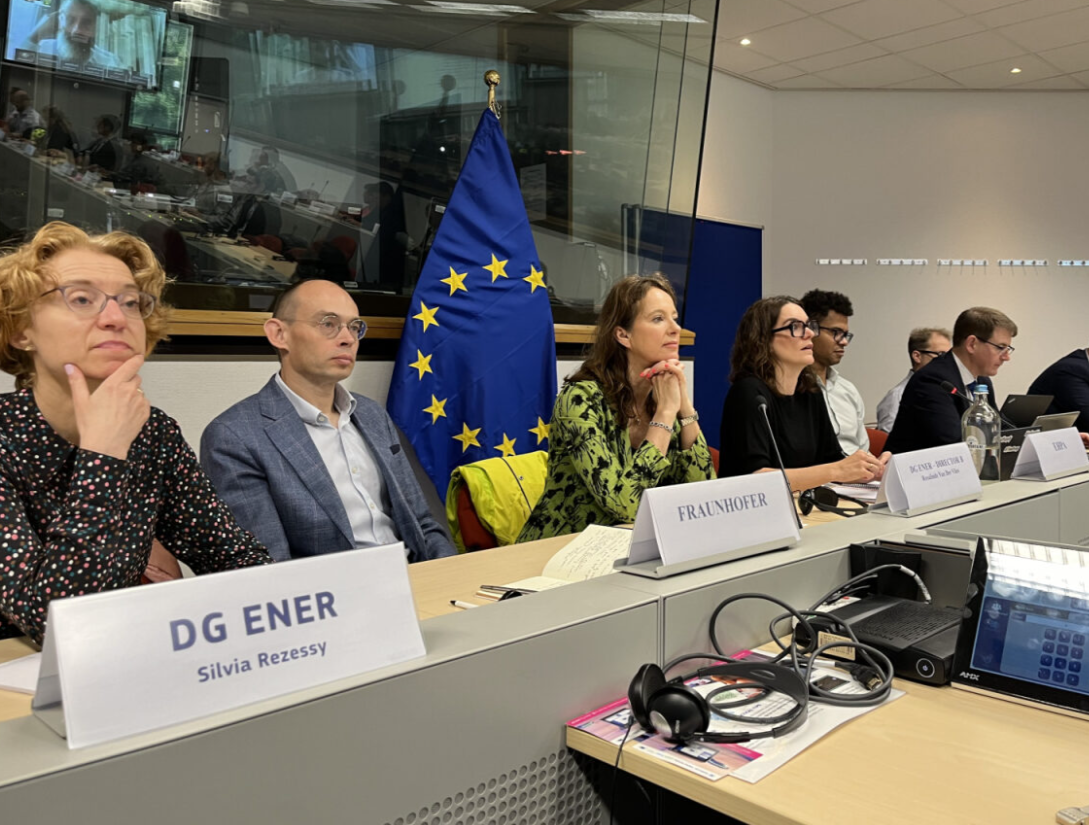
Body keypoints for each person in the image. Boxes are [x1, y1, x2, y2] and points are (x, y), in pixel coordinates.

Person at [0, 222, 272, 645]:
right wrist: (103, 453)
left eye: (130, 303)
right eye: (81, 299)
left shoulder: (153, 433)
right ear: (21, 329)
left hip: (123, 657)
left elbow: (234, 557)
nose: (116, 318)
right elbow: (56, 625)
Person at [201, 279, 455, 562]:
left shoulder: (371, 414)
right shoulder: (235, 436)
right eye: (328, 324)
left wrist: (448, 572)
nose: (348, 339)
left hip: (415, 574)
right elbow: (268, 564)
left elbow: (422, 523)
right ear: (279, 334)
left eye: (354, 327)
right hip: (333, 587)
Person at [517, 273, 714, 542]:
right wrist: (666, 414)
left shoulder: (661, 396)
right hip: (559, 549)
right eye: (658, 319)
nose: (675, 329)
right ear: (623, 335)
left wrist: (684, 407)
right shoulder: (581, 400)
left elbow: (703, 495)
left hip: (632, 548)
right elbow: (625, 506)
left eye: (674, 318)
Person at [719, 296, 888, 490]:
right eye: (796, 327)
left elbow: (831, 458)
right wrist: (836, 471)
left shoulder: (809, 391)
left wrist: (871, 470)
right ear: (764, 339)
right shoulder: (749, 394)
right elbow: (753, 478)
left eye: (809, 326)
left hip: (806, 503)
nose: (809, 334)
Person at [886, 307, 1018, 454]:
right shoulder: (932, 381)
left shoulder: (982, 381)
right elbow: (953, 442)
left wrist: (1023, 437)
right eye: (1001, 347)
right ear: (972, 344)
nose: (1006, 357)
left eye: (1008, 349)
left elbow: (999, 427)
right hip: (920, 467)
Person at [800, 289, 867, 455]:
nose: (844, 342)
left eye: (846, 335)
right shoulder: (792, 390)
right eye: (835, 332)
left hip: (857, 469)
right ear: (810, 330)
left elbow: (863, 450)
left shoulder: (848, 390)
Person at [876, 326, 952, 432]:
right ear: (917, 356)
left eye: (949, 356)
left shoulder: (949, 390)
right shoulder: (897, 396)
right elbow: (890, 438)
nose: (947, 361)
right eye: (941, 355)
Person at [34, 0, 121, 69]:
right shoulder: (42, 48)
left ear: (96, 27)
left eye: (86, 22)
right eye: (70, 20)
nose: (77, 30)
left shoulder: (110, 62)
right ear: (61, 20)